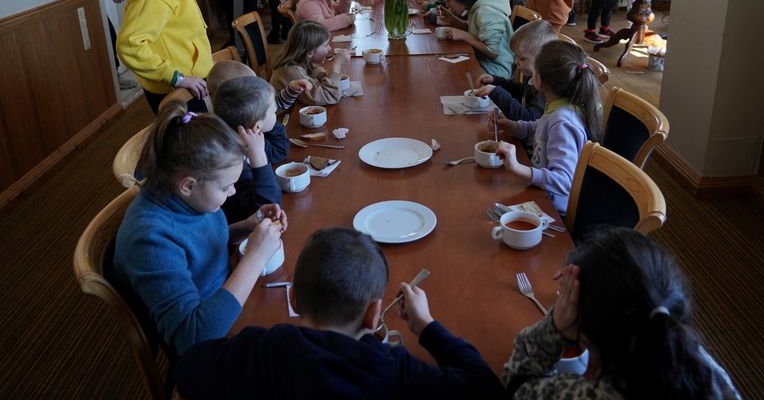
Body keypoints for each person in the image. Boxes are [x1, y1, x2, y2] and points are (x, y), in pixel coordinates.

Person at [173, 227, 506, 399]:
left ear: (294, 298)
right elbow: (486, 390)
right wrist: (428, 326)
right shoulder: (394, 369)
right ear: (375, 314)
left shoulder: (262, 349)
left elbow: (186, 373)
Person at [111, 101, 287, 355]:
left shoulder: (184, 199)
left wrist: (245, 227)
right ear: (188, 185)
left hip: (225, 295)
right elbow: (192, 337)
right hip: (208, 339)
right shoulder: (149, 240)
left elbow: (197, 244)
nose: (233, 191)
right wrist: (256, 257)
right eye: (226, 187)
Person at [503, 228, 742, 399]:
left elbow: (517, 384)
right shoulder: (707, 371)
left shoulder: (601, 394)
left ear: (588, 331)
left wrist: (555, 324)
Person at [495, 40, 601, 215]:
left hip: (552, 209)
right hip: (541, 191)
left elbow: (564, 181)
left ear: (539, 79)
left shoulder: (563, 122)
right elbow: (540, 128)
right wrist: (513, 126)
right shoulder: (559, 106)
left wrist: (518, 168)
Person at [213, 76, 283, 224]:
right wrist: (259, 159)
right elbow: (267, 207)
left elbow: (279, 152)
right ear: (257, 126)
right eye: (274, 111)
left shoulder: (247, 137)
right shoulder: (230, 159)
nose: (276, 113)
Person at [476, 20, 557, 128]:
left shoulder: (545, 88)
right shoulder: (534, 76)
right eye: (516, 56)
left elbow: (528, 120)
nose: (516, 62)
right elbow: (521, 91)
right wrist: (496, 81)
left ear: (542, 59)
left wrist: (498, 93)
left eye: (522, 58)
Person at [438, 0, 514, 79]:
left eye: (449, 0)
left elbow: (493, 51)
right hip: (483, 62)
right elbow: (479, 31)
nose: (447, 5)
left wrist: (464, 36)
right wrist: (455, 22)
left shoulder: (486, 11)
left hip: (496, 71)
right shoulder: (478, 7)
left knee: (448, 75)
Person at [270, 20, 351, 106]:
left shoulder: (300, 61)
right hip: (286, 117)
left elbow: (315, 74)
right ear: (310, 52)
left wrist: (330, 75)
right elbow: (329, 97)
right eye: (326, 45)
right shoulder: (290, 70)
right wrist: (336, 66)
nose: (329, 48)